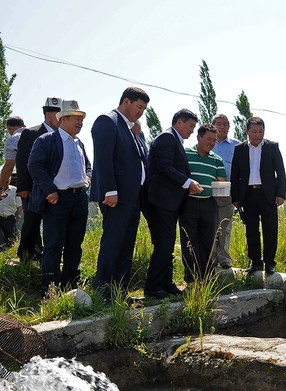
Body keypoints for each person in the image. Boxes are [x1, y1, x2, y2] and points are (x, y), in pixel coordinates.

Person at [27, 100, 91, 295]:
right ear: (63, 119)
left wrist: (87, 178)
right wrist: (50, 190)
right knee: (54, 244)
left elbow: (88, 166)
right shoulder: (46, 140)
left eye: (81, 119)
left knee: (75, 244)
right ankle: (50, 289)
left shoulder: (79, 143)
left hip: (79, 199)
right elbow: (34, 166)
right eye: (76, 119)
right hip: (57, 200)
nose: (80, 123)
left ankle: (70, 285)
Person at [91, 87, 150, 298]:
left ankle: (120, 291)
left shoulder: (131, 129)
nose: (141, 112)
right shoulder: (107, 121)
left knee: (127, 245)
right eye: (139, 107)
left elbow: (142, 157)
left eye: (144, 109)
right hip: (116, 196)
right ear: (126, 101)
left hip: (133, 197)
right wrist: (110, 190)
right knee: (113, 243)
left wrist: (139, 133)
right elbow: (103, 159)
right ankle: (103, 291)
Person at [144, 109, 202, 299]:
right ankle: (153, 287)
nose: (192, 131)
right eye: (191, 126)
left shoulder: (175, 140)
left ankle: (166, 284)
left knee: (167, 245)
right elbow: (165, 167)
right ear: (179, 122)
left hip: (170, 202)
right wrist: (188, 182)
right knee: (163, 244)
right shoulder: (167, 138)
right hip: (161, 201)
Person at [230, 117, 286, 275]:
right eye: (254, 131)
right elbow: (235, 175)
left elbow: (281, 172)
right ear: (247, 131)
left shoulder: (272, 147)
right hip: (247, 195)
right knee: (251, 230)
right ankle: (255, 262)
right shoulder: (239, 149)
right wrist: (235, 197)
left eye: (260, 131)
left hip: (268, 194)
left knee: (270, 229)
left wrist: (281, 194)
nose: (257, 135)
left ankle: (269, 262)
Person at [16, 98, 62, 261]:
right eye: (59, 113)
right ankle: (26, 254)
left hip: (55, 188)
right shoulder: (32, 133)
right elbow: (22, 161)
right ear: (49, 114)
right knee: (32, 222)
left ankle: (44, 253)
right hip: (33, 188)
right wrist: (23, 187)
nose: (62, 117)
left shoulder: (63, 136)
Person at [179, 123, 225, 283]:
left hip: (209, 204)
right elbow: (178, 177)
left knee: (208, 241)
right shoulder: (184, 154)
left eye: (214, 140)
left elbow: (221, 182)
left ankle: (207, 277)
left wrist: (223, 189)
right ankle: (191, 278)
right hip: (188, 204)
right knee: (189, 242)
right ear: (198, 137)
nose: (211, 143)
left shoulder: (217, 160)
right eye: (209, 139)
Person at [211, 114, 239, 269]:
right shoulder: (207, 143)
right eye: (219, 124)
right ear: (213, 125)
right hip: (208, 189)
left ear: (229, 127)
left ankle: (224, 258)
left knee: (225, 226)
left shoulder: (236, 145)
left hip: (228, 189)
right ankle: (211, 258)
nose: (222, 127)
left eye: (225, 124)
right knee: (210, 225)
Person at [1, 116, 26, 191]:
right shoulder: (37, 134)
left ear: (8, 128)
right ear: (24, 126)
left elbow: (9, 165)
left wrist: (1, 186)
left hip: (27, 183)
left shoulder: (12, 139)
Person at [0, 184, 21, 250]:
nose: (6, 182)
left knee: (11, 241)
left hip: (10, 219)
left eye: (7, 180)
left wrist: (19, 216)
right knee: (1, 241)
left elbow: (19, 205)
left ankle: (9, 256)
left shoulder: (14, 190)